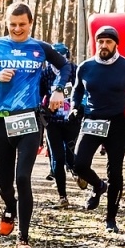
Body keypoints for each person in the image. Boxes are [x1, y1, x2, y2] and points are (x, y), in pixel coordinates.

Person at [0, 2, 69, 248]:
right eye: (12, 24)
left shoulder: (39, 48)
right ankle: (9, 208)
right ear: (6, 23)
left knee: (23, 178)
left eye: (22, 24)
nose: (17, 29)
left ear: (30, 23)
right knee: (5, 185)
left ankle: (23, 238)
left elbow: (66, 67)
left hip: (30, 120)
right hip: (1, 120)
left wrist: (59, 89)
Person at [69, 26, 125, 234]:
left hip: (116, 123)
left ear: (116, 44)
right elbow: (77, 91)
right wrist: (75, 107)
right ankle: (98, 186)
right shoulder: (85, 67)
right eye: (100, 42)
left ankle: (110, 219)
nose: (104, 46)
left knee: (116, 173)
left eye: (108, 42)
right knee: (78, 164)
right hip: (92, 120)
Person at [44, 43, 79, 210]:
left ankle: (77, 172)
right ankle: (62, 196)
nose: (57, 62)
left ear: (67, 57)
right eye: (53, 58)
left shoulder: (76, 71)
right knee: (57, 158)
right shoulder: (45, 74)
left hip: (72, 120)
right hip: (53, 123)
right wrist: (42, 112)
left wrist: (80, 108)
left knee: (71, 155)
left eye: (61, 57)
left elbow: (84, 92)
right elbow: (38, 94)